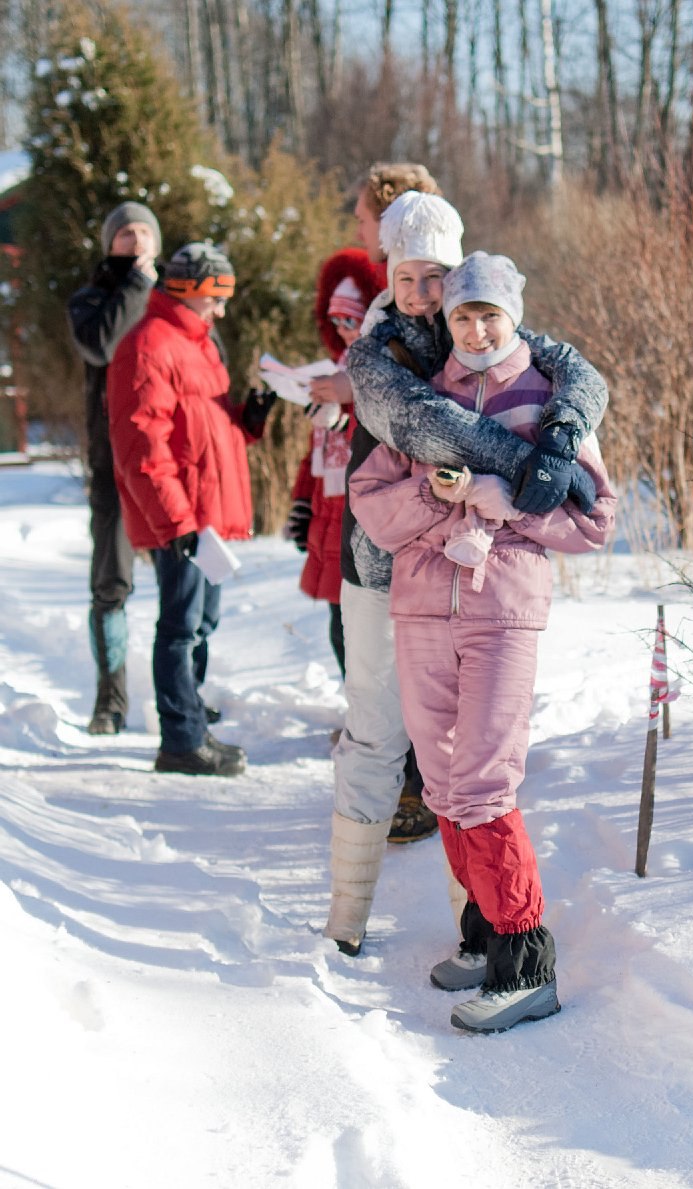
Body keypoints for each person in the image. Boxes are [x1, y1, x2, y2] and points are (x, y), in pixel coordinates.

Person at [324, 190, 609, 959]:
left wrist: (568, 419)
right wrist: (530, 467)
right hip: (383, 570)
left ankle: (486, 930)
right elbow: (432, 431)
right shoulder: (380, 353)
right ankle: (346, 921)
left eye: (436, 278)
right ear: (390, 275)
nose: (422, 293)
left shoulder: (490, 338)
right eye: (409, 277)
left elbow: (574, 372)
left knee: (462, 770)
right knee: (379, 737)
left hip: (476, 592)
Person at [310, 163, 445, 844]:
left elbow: (426, 421)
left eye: (365, 218)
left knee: (422, 679)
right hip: (376, 526)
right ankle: (351, 891)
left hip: (429, 535)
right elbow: (389, 405)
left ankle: (416, 790)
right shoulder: (377, 331)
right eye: (405, 276)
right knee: (373, 686)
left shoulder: (465, 324)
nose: (359, 232)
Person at [106, 242, 272, 776]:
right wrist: (175, 522)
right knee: (180, 627)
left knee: (201, 623)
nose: (222, 310)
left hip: (207, 517)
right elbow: (141, 448)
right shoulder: (148, 345)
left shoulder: (198, 344)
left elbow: (208, 428)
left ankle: (194, 724)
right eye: (215, 298)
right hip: (181, 520)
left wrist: (250, 416)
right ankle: (179, 740)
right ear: (188, 292)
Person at [68, 201, 161, 735]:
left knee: (183, 584)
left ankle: (182, 696)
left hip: (165, 461)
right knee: (111, 583)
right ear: (110, 244)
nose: (136, 239)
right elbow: (102, 343)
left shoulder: (171, 298)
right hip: (112, 464)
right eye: (125, 233)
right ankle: (111, 702)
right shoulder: (92, 298)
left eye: (144, 231)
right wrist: (137, 286)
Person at [284, 248, 382, 676]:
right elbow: (315, 449)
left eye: (352, 320)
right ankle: (358, 714)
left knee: (361, 628)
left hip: (358, 509)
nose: (344, 330)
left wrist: (342, 417)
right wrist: (301, 502)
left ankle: (371, 724)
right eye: (336, 321)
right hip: (328, 507)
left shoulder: (377, 366)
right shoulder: (335, 367)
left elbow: (380, 433)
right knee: (338, 625)